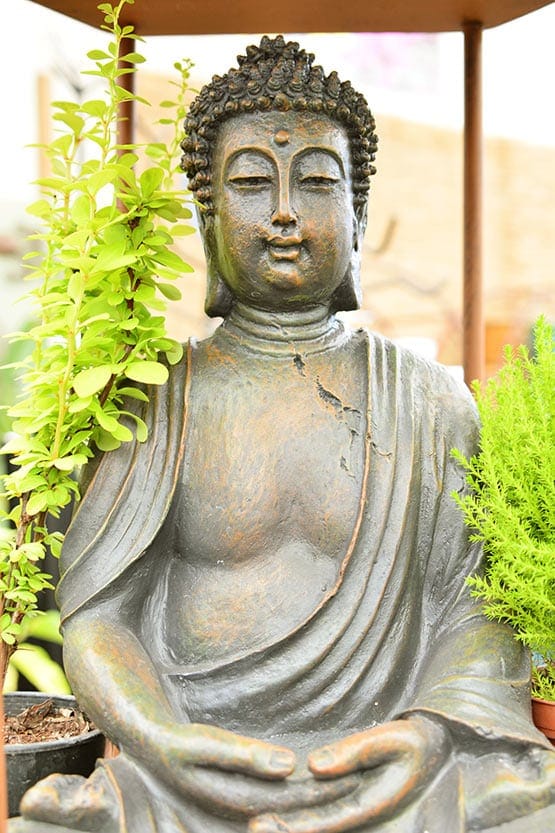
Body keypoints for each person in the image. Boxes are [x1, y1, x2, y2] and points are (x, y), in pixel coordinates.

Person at [12, 36, 555, 833]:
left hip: (396, 765)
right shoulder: (158, 400)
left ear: (358, 214)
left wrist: (429, 730)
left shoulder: (431, 400)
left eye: (316, 182)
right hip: (191, 772)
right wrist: (164, 738)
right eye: (250, 184)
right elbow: (100, 616)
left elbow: (473, 611)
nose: (285, 212)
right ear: (207, 218)